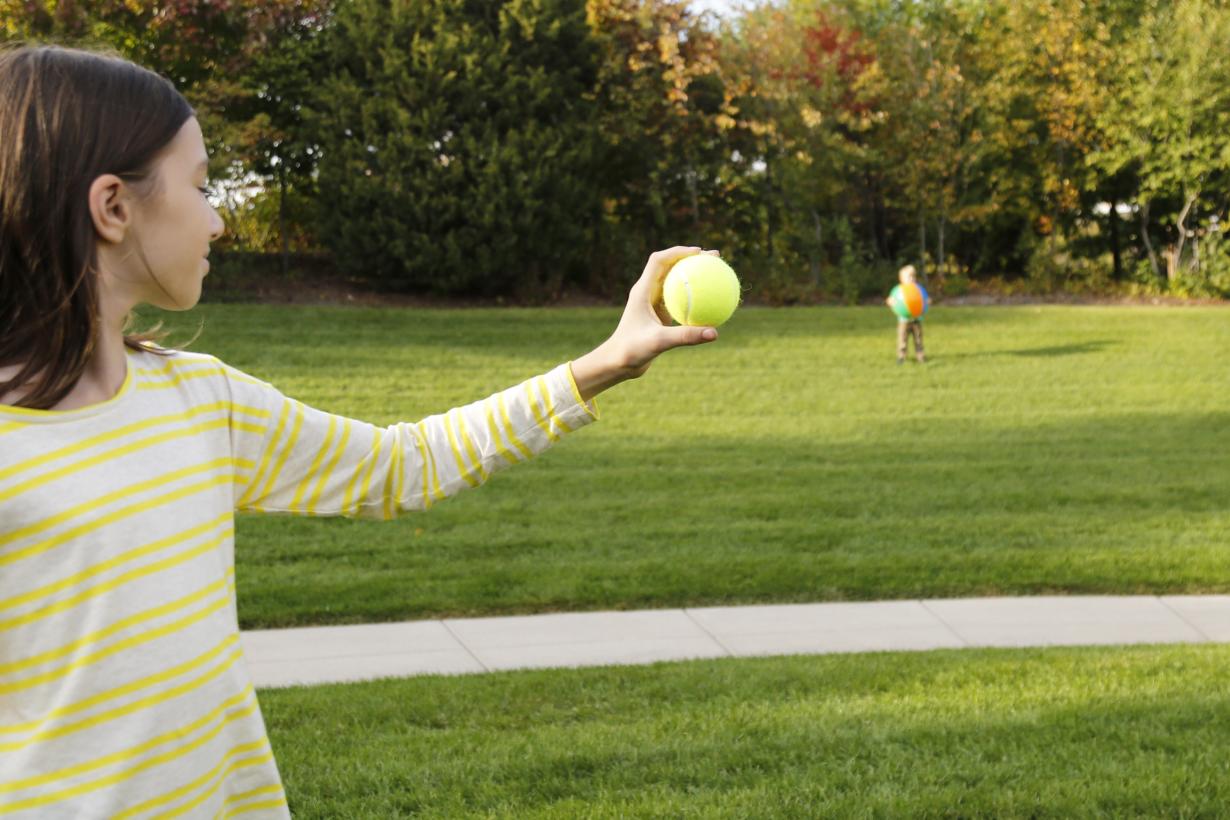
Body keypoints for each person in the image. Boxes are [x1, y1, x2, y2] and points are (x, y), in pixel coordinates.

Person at [0, 44, 721, 817]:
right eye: (203, 186)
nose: (217, 219)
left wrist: (602, 365)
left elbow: (400, 467)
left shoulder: (203, 401)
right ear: (113, 207)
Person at [887, 264, 926, 364]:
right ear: (901, 279)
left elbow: (925, 299)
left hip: (917, 320)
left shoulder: (918, 289)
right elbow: (890, 300)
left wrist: (927, 302)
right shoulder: (899, 290)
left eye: (913, 276)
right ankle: (901, 356)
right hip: (903, 321)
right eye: (909, 277)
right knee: (902, 339)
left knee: (918, 338)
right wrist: (891, 302)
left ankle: (920, 356)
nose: (912, 279)